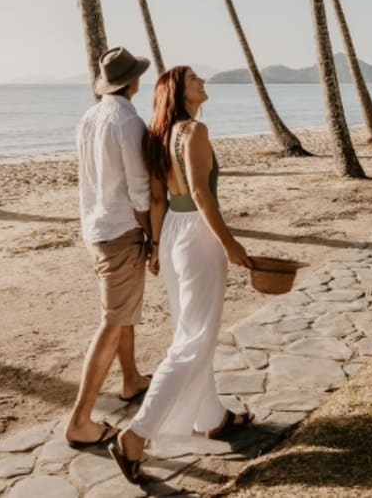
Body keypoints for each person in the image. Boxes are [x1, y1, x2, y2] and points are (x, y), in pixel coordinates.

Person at [110, 66, 252, 485]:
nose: (202, 81)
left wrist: (156, 246)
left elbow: (158, 197)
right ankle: (135, 436)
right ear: (178, 91)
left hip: (172, 233)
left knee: (191, 331)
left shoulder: (158, 135)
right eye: (194, 79)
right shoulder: (194, 132)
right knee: (193, 339)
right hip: (196, 236)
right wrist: (230, 244)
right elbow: (201, 192)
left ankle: (212, 416)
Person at [64, 46, 155, 449]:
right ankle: (80, 421)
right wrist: (151, 234)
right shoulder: (128, 120)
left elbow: (88, 177)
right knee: (114, 319)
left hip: (96, 226)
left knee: (123, 309)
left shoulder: (89, 117)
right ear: (132, 82)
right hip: (121, 230)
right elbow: (139, 189)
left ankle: (131, 378)